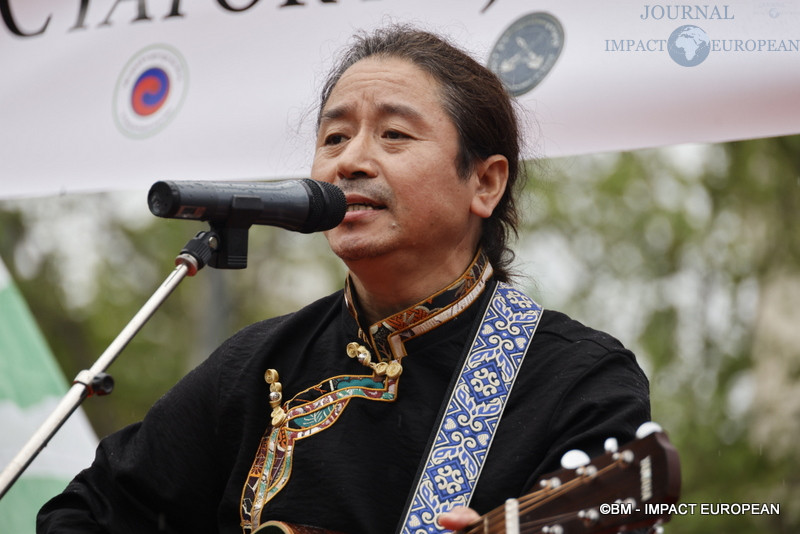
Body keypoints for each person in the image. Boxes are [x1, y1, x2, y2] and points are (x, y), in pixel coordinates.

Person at [37, 25, 650, 534]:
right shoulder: (252, 366)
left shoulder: (579, 379)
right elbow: (83, 516)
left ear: (484, 182)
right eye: (334, 136)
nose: (349, 160)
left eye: (394, 134)